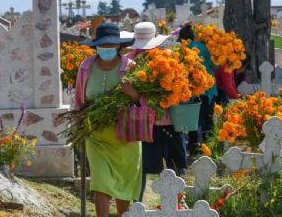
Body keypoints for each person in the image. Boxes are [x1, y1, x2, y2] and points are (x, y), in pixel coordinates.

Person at [74, 23, 141, 217]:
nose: (107, 49)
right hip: (96, 136)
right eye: (103, 45)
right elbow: (79, 99)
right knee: (100, 183)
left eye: (111, 45)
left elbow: (144, 102)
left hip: (125, 136)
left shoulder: (130, 67)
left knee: (124, 184)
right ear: (96, 46)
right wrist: (78, 124)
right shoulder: (86, 66)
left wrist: (132, 94)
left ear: (118, 46)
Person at [126, 22, 188, 202]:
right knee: (140, 169)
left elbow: (179, 89)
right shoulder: (130, 63)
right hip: (143, 125)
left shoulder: (169, 60)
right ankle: (137, 207)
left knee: (175, 168)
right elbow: (127, 95)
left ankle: (179, 204)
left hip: (169, 121)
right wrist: (137, 96)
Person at [178, 22, 218, 155]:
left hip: (191, 91)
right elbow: (214, 64)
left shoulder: (182, 50)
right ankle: (209, 146)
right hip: (207, 88)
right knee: (208, 119)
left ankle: (193, 147)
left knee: (192, 119)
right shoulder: (203, 46)